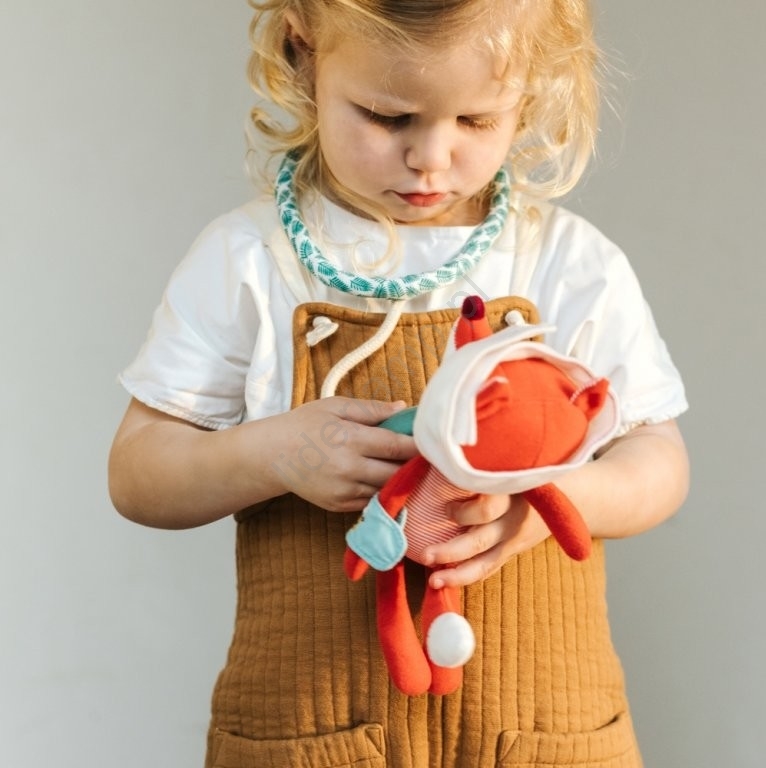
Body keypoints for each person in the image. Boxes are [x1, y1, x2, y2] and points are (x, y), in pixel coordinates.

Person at [108, 0, 689, 766]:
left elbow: (659, 462)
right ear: (303, 54)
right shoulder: (251, 259)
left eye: (477, 120)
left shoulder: (569, 265)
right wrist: (274, 454)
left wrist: (553, 505)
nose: (431, 158)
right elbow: (139, 473)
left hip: (543, 737)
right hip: (311, 736)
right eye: (388, 117)